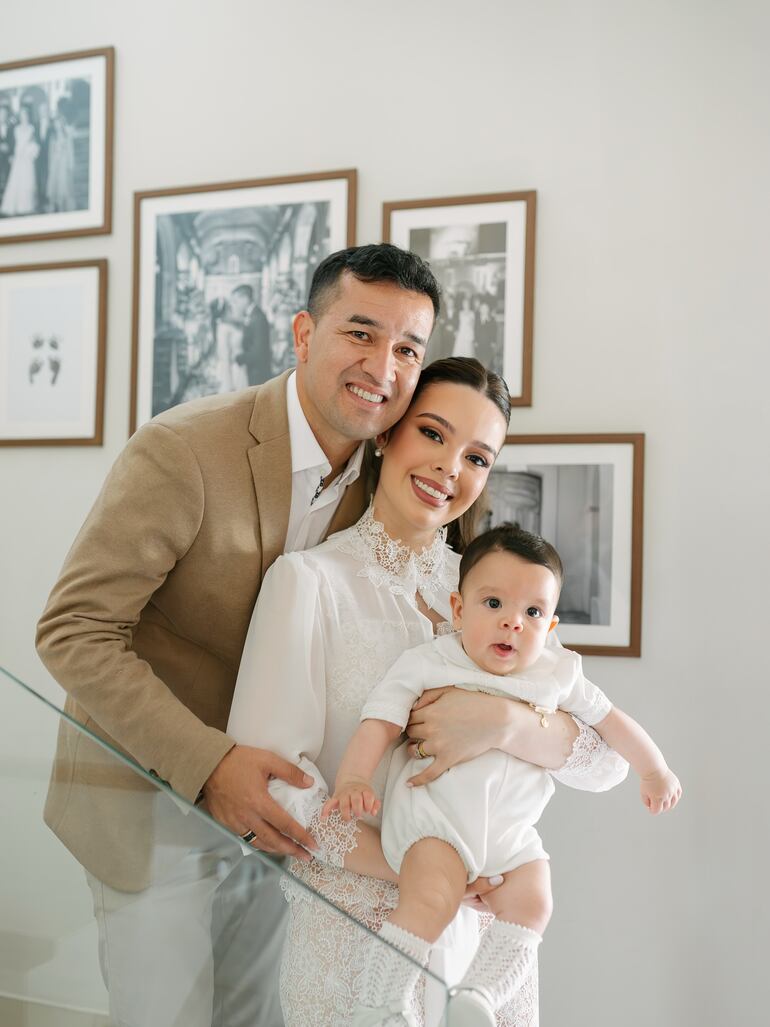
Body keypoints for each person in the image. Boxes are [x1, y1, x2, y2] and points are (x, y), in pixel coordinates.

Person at [35, 243, 442, 1027]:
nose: (383, 366)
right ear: (303, 333)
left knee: (254, 1015)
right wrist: (210, 763)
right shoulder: (182, 449)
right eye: (361, 333)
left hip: (288, 818)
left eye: (407, 349)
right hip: (150, 797)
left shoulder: (388, 480)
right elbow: (73, 630)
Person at [227, 359, 630, 1027]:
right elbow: (270, 791)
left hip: (480, 957)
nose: (450, 467)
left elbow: (608, 762)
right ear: (387, 432)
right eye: (433, 434)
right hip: (350, 937)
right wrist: (425, 874)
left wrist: (505, 723)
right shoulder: (308, 582)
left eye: (477, 456)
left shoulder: (501, 593)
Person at [322, 521, 681, 1026]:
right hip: (436, 824)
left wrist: (654, 769)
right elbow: (379, 722)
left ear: (550, 628)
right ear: (458, 609)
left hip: (510, 834)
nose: (513, 622)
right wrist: (354, 779)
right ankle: (379, 1002)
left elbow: (611, 722)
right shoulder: (428, 661)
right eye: (494, 604)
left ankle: (480, 996)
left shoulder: (556, 672)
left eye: (533, 612)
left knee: (534, 903)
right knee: (431, 900)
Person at [0, 103, 39, 216]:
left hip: (27, 159)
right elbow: (13, 144)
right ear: (20, 116)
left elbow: (34, 144)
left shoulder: (32, 128)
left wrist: (29, 151)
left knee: (27, 181)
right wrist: (13, 154)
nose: (24, 117)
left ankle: (26, 206)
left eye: (25, 115)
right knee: (16, 181)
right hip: (18, 158)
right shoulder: (16, 129)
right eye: (22, 115)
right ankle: (15, 205)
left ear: (28, 115)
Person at [234, 283, 272, 385]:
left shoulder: (258, 317)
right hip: (253, 370)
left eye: (236, 301)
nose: (235, 305)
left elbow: (258, 351)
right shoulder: (252, 315)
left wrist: (238, 359)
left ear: (245, 299)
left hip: (258, 373)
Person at [46, 98, 76, 212]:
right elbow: (50, 152)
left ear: (62, 124)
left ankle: (63, 203)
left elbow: (70, 151)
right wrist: (50, 164)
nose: (57, 125)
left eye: (59, 123)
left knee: (63, 182)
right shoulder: (53, 138)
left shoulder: (66, 137)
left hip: (64, 162)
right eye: (56, 124)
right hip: (55, 163)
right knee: (54, 182)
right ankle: (54, 204)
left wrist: (70, 164)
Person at [0, 102, 14, 206]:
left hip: (8, 158)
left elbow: (14, 142)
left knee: (8, 177)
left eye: (5, 114)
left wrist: (9, 150)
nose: (3, 116)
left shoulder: (11, 127)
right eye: (1, 114)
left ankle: (5, 199)